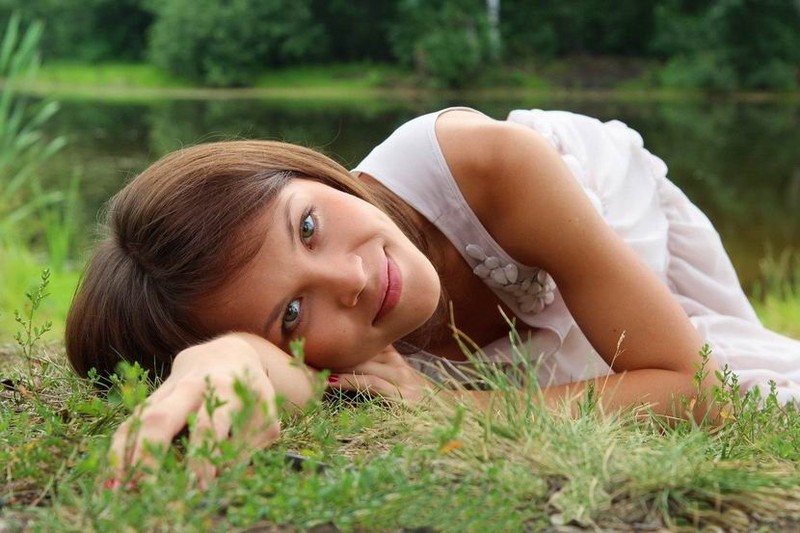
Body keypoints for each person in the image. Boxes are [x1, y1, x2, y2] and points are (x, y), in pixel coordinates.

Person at [66, 107, 800, 479]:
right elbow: (272, 376)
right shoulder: (336, 361)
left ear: (304, 172)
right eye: (290, 313)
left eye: (308, 226)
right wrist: (218, 359)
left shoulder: (488, 163)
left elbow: (698, 393)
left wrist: (453, 407)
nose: (354, 280)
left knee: (732, 368)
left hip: (617, 233)